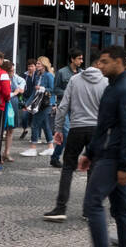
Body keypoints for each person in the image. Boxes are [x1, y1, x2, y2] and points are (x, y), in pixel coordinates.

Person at [76, 46, 126, 247]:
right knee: (122, 211)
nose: (99, 66)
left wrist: (124, 166)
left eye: (104, 62)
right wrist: (89, 152)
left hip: (112, 158)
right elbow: (104, 125)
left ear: (119, 62)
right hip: (106, 154)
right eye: (99, 62)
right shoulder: (113, 87)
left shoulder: (124, 89)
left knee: (92, 203)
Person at [45, 49, 107, 222]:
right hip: (96, 130)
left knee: (68, 168)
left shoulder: (75, 79)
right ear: (99, 64)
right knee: (93, 170)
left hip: (76, 128)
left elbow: (63, 106)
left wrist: (58, 129)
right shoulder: (105, 82)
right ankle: (88, 210)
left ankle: (60, 208)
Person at [49, 49, 84, 167]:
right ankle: (58, 157)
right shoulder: (62, 72)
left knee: (76, 135)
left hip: (77, 108)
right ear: (72, 59)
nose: (81, 61)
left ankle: (55, 157)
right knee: (66, 132)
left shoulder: (82, 73)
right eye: (79, 58)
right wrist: (68, 93)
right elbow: (55, 89)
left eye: (82, 58)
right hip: (64, 107)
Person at [20, 55, 55, 156]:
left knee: (35, 124)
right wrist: (27, 104)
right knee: (45, 125)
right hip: (37, 103)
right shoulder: (38, 75)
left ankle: (33, 148)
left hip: (45, 104)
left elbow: (53, 90)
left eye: (38, 63)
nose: (36, 65)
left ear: (44, 65)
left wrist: (42, 88)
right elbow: (34, 92)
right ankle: (50, 147)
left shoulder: (49, 75)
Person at [1, 60, 24, 162]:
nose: (13, 73)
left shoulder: (14, 77)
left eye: (13, 71)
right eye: (11, 71)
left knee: (10, 130)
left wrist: (20, 88)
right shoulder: (2, 78)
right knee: (0, 130)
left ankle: (7, 152)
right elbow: (4, 94)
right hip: (4, 105)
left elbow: (22, 81)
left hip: (13, 105)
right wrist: (14, 93)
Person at [19, 59, 39, 139]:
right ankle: (25, 129)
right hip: (26, 99)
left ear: (35, 67)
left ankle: (35, 136)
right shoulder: (24, 76)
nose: (30, 68)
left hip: (35, 99)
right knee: (24, 116)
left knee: (35, 117)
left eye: (32, 66)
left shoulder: (38, 75)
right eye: (29, 66)